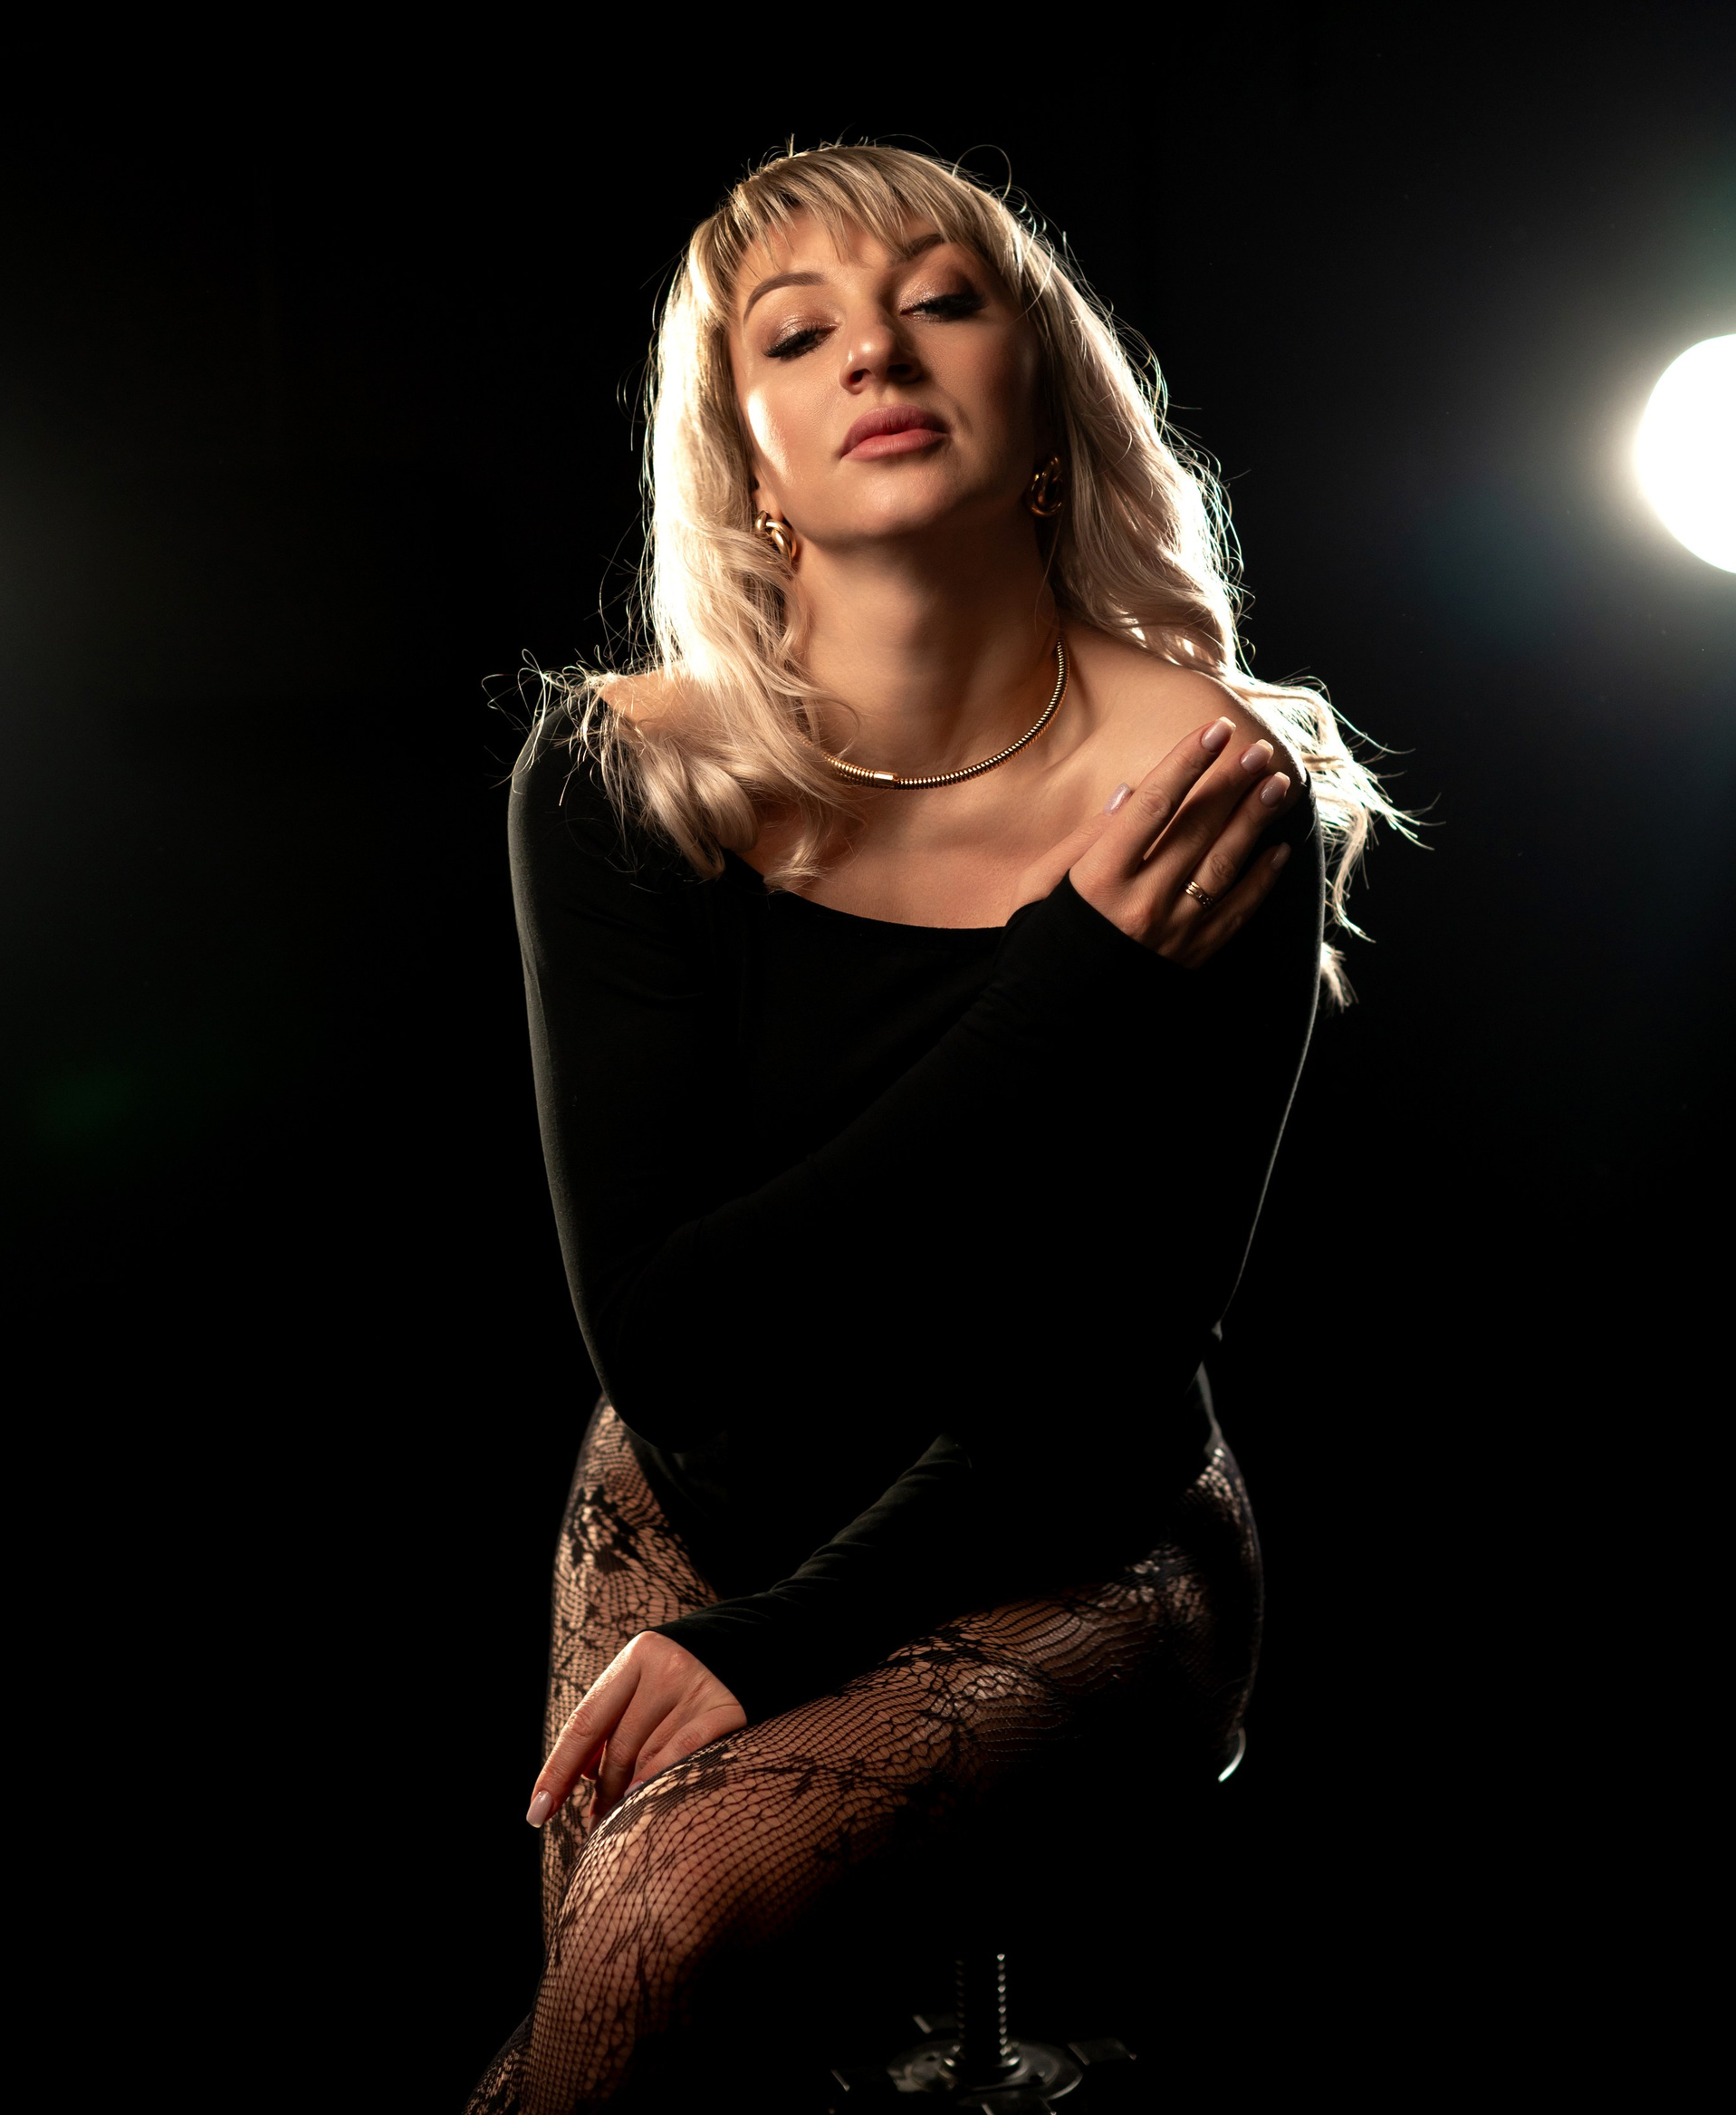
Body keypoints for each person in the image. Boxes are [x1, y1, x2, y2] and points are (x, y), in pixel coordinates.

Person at [465, 144, 1402, 2111]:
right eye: (798, 336)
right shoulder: (630, 774)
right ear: (747, 460)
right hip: (697, 1483)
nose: (876, 356)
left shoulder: (1214, 784)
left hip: (1082, 1529)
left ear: (1043, 401)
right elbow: (673, 1336)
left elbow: (1103, 1375)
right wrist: (1073, 980)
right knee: (651, 2041)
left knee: (659, 1916)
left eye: (941, 305)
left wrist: (775, 1640)